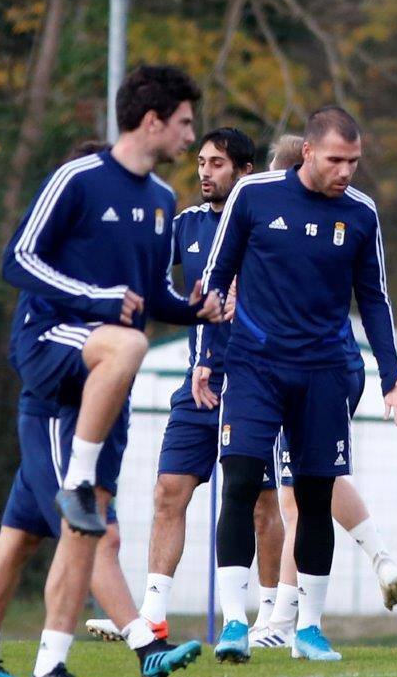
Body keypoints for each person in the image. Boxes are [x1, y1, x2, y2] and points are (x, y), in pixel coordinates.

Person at [0, 65, 221, 677]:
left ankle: (9, 660)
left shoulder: (163, 203)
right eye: (186, 123)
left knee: (37, 531)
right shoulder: (78, 179)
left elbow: (151, 296)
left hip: (104, 380)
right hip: (54, 351)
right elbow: (16, 259)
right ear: (153, 120)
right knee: (85, 517)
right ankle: (128, 641)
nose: (192, 139)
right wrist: (99, 298)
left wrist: (198, 309)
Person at [198, 106, 397, 662]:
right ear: (308, 153)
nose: (346, 171)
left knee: (316, 496)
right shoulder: (254, 197)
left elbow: (374, 299)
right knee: (242, 482)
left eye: (354, 161)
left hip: (323, 372)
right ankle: (233, 624)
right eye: (336, 160)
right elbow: (216, 278)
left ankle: (309, 630)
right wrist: (208, 354)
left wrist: (392, 377)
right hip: (255, 367)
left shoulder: (362, 215)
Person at [81, 128, 286, 643]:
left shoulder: (268, 225)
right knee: (169, 492)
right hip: (199, 385)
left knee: (260, 503)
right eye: (200, 162)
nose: (204, 173)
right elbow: (145, 271)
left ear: (245, 172)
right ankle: (153, 614)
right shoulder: (186, 224)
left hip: (257, 383)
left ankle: (271, 619)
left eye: (217, 164)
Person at [248, 136, 397, 650]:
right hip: (341, 366)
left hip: (308, 369)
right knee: (321, 480)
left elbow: (372, 295)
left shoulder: (335, 216)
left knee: (297, 499)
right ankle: (379, 556)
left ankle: (281, 621)